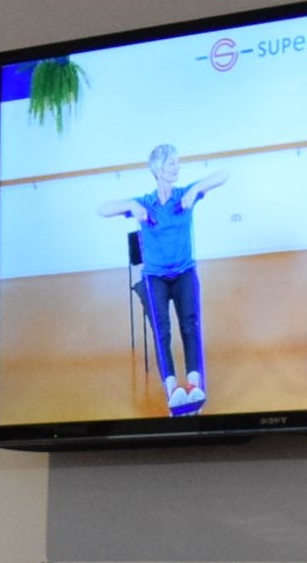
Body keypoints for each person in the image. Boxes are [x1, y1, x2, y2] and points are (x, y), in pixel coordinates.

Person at [98, 145, 228, 414]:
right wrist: (131, 205)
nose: (177, 167)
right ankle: (173, 393)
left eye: (177, 162)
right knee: (162, 332)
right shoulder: (144, 202)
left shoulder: (184, 194)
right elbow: (102, 209)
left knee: (190, 327)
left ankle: (194, 388)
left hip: (184, 273)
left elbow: (222, 175)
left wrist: (195, 190)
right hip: (154, 278)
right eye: (171, 164)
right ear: (157, 170)